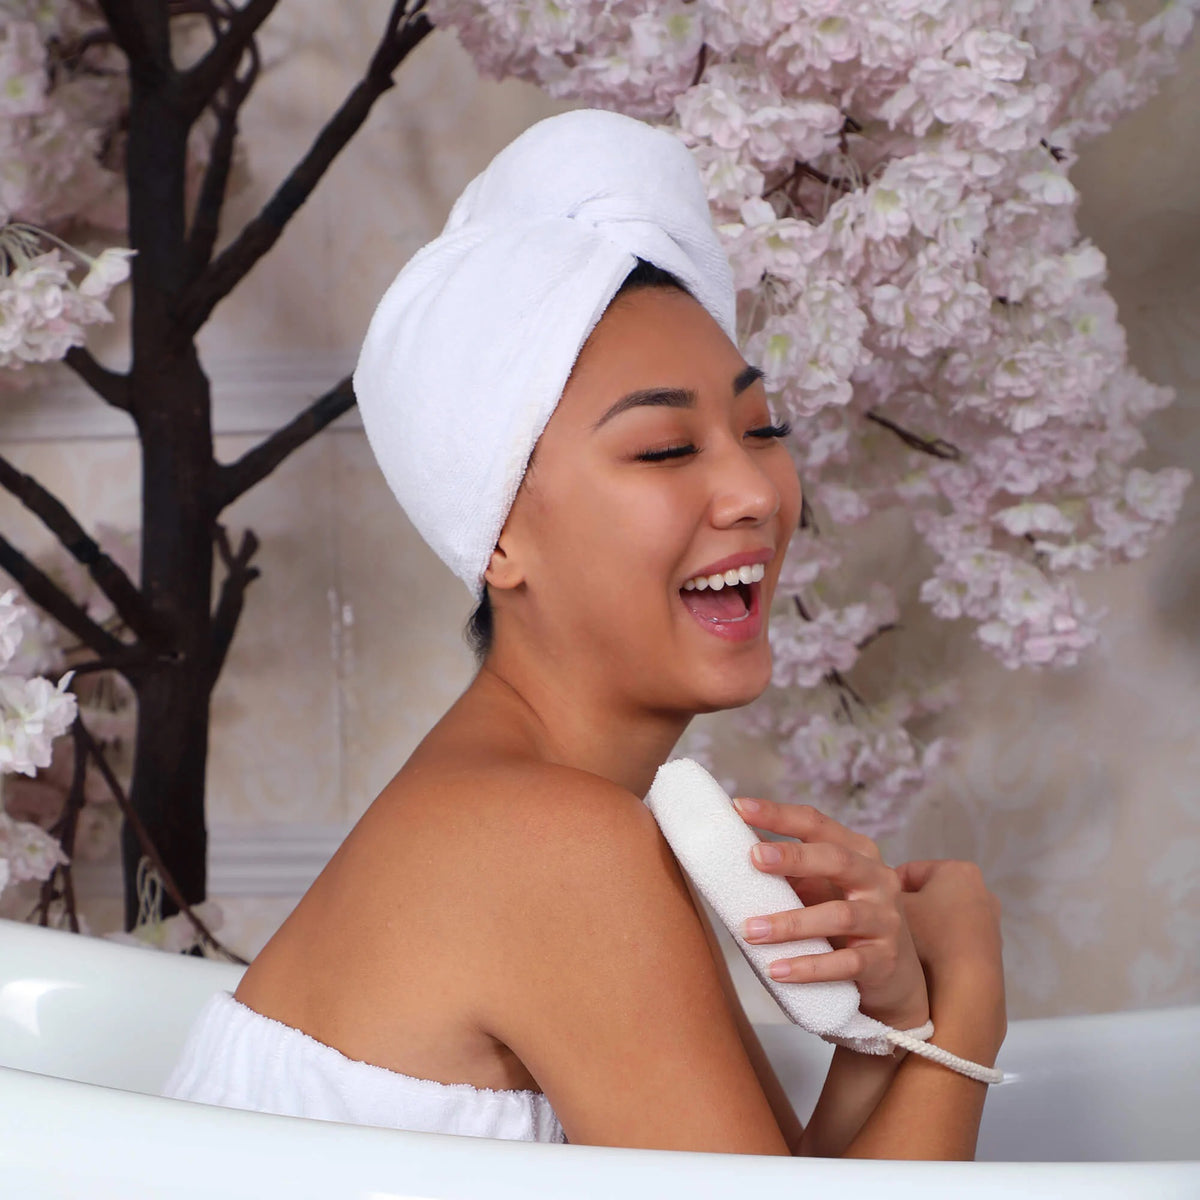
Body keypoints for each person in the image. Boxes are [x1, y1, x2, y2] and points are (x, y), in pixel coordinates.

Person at [162, 110, 1006, 1158]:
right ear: (500, 535)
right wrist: (968, 990)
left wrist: (892, 1026)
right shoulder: (557, 845)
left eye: (761, 430)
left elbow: (790, 1186)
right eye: (662, 451)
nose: (751, 490)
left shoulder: (588, 823)